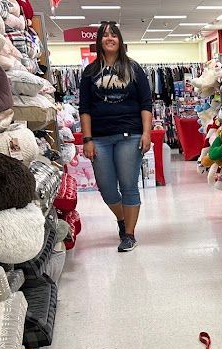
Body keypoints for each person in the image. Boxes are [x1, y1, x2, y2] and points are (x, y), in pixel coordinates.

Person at [79, 22, 153, 252]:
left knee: (129, 185)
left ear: (120, 40)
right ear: (99, 41)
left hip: (130, 135)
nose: (109, 38)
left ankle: (129, 234)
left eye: (114, 35)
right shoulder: (90, 72)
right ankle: (122, 219)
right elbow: (84, 108)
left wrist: (147, 133)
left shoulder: (133, 68)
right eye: (105, 35)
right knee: (107, 189)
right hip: (100, 138)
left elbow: (146, 103)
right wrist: (87, 139)